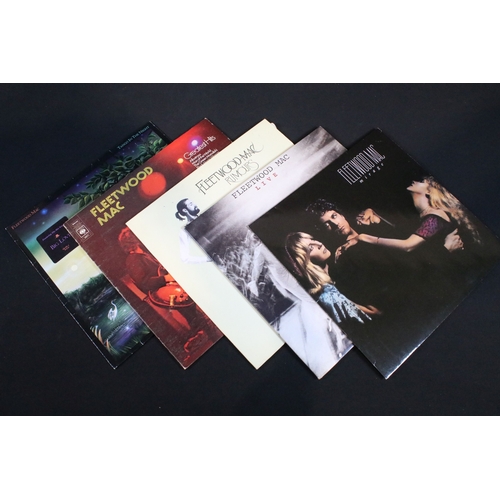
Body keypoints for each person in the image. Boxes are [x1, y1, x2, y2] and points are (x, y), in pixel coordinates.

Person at [284, 231, 376, 325]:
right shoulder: (327, 295)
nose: (319, 244)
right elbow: (373, 313)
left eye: (313, 240)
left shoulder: (340, 264)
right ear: (305, 260)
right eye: (311, 247)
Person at [174, 198, 211, 263]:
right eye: (191, 204)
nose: (195, 205)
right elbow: (184, 258)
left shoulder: (207, 216)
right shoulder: (185, 231)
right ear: (185, 210)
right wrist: (208, 259)